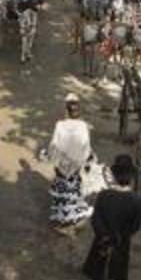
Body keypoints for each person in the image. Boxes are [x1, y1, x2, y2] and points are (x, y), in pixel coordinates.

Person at [81, 167, 141, 280]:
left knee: (99, 265)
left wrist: (103, 234)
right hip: (122, 239)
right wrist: (124, 235)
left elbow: (95, 219)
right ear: (130, 179)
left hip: (103, 237)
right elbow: (136, 225)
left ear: (114, 178)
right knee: (121, 264)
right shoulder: (136, 200)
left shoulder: (104, 195)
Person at [46, 93, 93, 232]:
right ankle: (72, 219)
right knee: (74, 191)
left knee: (62, 191)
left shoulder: (60, 125)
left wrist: (54, 160)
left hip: (62, 165)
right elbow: (86, 147)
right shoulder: (83, 126)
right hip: (76, 166)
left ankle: (61, 219)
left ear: (66, 110)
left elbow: (54, 145)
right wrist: (84, 161)